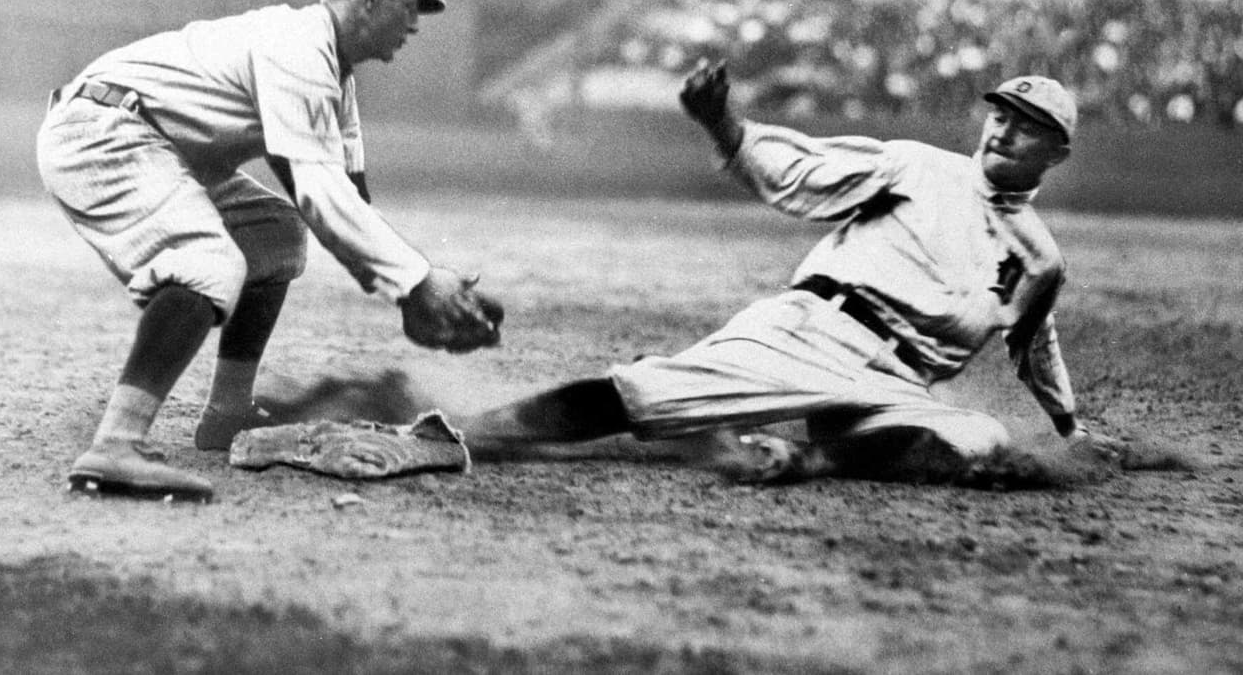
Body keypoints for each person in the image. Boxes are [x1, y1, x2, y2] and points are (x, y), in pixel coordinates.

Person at [457, 62, 1119, 483]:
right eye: (1001, 114)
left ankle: (801, 458)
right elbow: (803, 171)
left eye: (1026, 126)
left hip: (895, 384)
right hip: (811, 330)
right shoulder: (918, 166)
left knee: (979, 440)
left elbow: (1035, 349)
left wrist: (1070, 430)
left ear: (1055, 153)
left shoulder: (1040, 259)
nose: (1004, 130)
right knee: (640, 396)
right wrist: (726, 126)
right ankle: (466, 431)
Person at [37, 0, 503, 501]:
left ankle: (227, 412)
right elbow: (320, 192)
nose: (416, 24)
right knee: (207, 261)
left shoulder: (334, 70)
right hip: (103, 132)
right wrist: (418, 282)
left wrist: (410, 296)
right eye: (414, 4)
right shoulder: (295, 46)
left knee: (273, 236)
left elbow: (348, 202)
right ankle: (115, 445)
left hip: (152, 143)